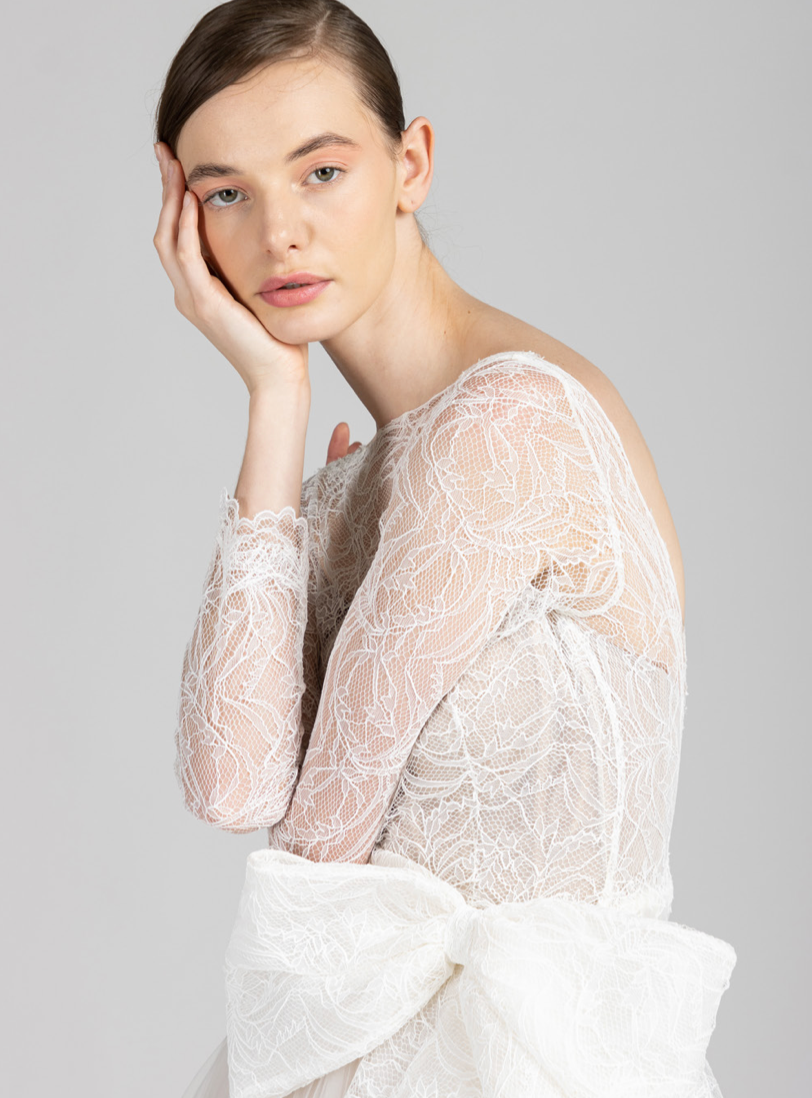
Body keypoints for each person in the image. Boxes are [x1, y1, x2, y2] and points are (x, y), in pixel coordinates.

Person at [152, 2, 737, 1096]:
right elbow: (229, 786)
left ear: (409, 164)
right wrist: (276, 404)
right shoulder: (369, 470)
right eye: (226, 192)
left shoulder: (504, 425)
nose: (278, 232)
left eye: (321, 172)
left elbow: (317, 857)